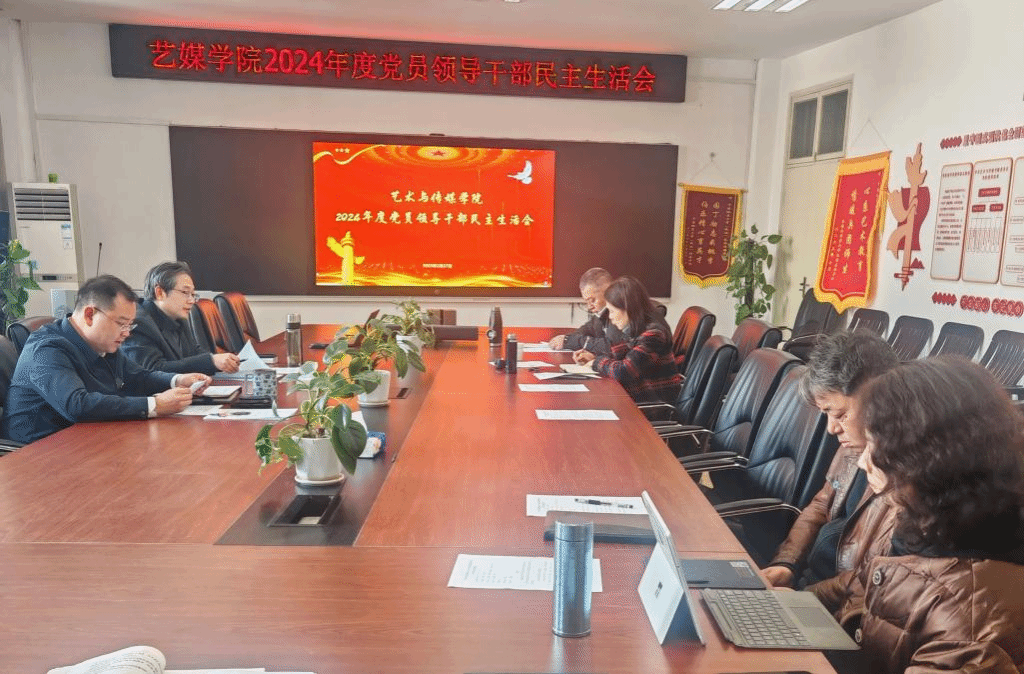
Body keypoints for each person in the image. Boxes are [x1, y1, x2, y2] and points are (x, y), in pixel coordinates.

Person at [837, 358, 1024, 673]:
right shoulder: (928, 520)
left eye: (874, 447)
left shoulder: (972, 621)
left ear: (923, 460)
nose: (862, 462)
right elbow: (865, 581)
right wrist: (791, 599)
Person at [762, 331, 898, 596]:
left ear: (880, 397)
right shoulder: (853, 445)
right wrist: (787, 563)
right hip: (811, 587)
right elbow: (822, 505)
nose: (832, 429)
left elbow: (871, 580)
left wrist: (806, 598)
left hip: (838, 607)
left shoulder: (906, 473)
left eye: (840, 414)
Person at [1, 275, 212, 444]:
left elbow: (137, 376)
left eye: (130, 325)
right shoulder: (47, 348)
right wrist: (155, 405)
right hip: (40, 453)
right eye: (121, 323)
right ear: (90, 315)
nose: (127, 333)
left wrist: (177, 380)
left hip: (90, 439)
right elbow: (77, 405)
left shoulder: (103, 343)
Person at [572, 275, 680, 404]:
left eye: (612, 311)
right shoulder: (638, 329)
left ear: (627, 308)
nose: (610, 317)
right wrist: (593, 357)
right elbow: (623, 353)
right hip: (637, 398)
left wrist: (596, 362)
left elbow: (624, 371)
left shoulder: (654, 334)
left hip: (652, 405)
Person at [122, 261, 240, 374]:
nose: (192, 301)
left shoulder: (178, 318)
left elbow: (194, 352)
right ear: (160, 293)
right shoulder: (139, 323)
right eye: (185, 292)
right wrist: (211, 361)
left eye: (193, 294)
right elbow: (153, 370)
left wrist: (220, 361)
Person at [548, 267, 625, 356]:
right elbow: (588, 329)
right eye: (586, 302)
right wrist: (566, 338)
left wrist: (572, 341)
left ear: (608, 291)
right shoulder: (601, 313)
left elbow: (612, 347)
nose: (589, 306)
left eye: (592, 300)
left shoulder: (620, 311)